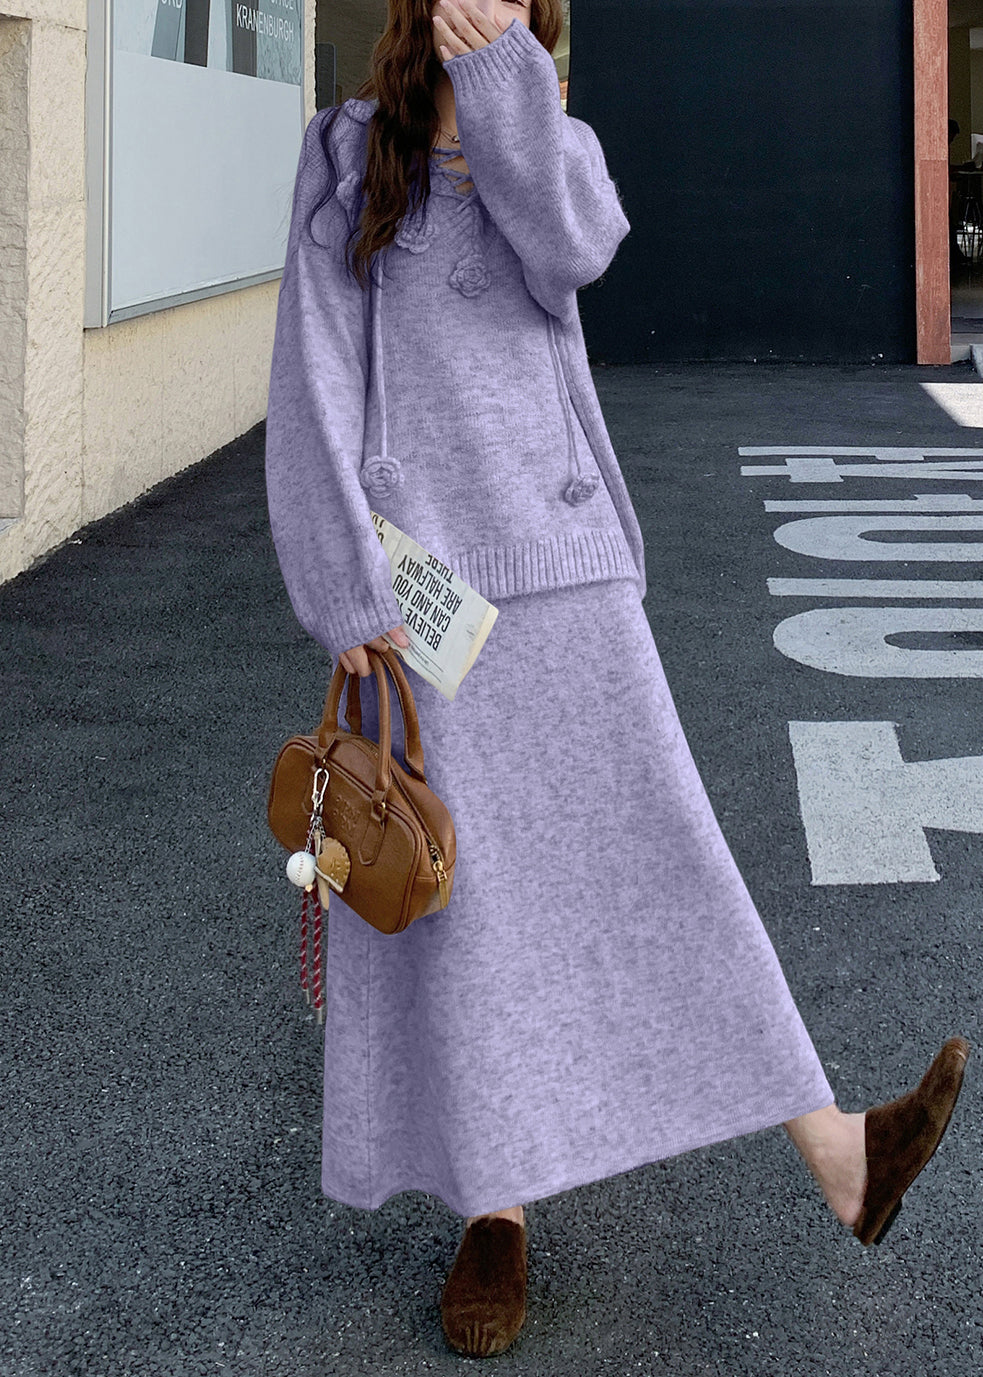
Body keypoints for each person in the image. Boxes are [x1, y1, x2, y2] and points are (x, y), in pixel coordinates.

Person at [264, 0, 971, 1359]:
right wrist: (343, 580)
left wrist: (503, 78)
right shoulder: (347, 152)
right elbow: (312, 374)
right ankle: (495, 1210)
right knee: (462, 893)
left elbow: (573, 248)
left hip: (568, 561)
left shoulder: (555, 139)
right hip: (426, 586)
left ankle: (841, 1153)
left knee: (658, 850)